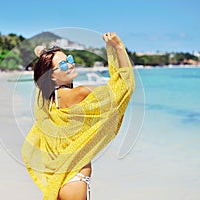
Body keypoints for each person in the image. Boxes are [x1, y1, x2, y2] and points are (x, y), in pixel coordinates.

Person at [22, 32, 135, 200]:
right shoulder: (79, 93)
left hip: (59, 178)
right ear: (52, 75)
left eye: (70, 59)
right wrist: (118, 47)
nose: (71, 65)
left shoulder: (48, 101)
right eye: (64, 65)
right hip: (75, 180)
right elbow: (123, 87)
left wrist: (44, 55)